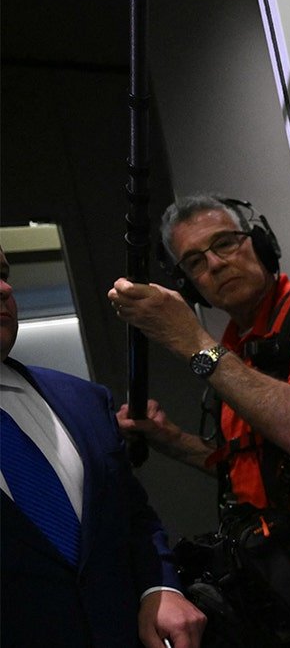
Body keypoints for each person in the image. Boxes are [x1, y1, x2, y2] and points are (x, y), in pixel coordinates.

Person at [107, 193, 290, 644]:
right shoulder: (231, 345)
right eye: (196, 262)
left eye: (226, 243)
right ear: (188, 285)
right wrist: (171, 439)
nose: (216, 265)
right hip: (278, 585)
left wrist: (193, 343)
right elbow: (246, 460)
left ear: (260, 243)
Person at [0, 246, 206, 648]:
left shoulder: (84, 401)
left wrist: (160, 588)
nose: (5, 288)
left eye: (5, 273)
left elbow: (133, 518)